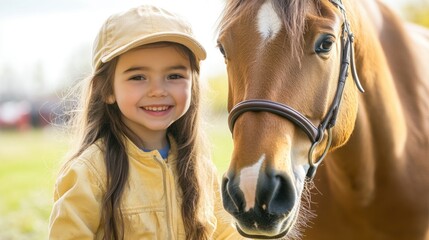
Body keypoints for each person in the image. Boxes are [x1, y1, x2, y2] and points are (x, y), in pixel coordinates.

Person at [49, 5, 245, 240]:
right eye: (138, 77)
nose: (157, 90)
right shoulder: (90, 172)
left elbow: (224, 235)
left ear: (192, 84)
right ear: (107, 89)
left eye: (174, 76)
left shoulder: (201, 170)